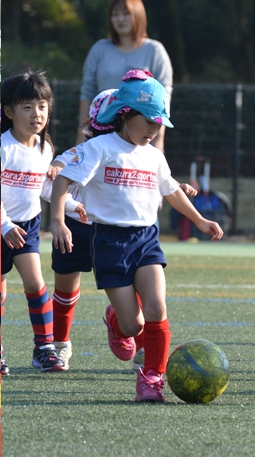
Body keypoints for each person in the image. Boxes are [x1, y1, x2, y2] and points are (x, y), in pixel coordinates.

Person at [49, 70, 224, 402]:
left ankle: (152, 378)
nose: (155, 130)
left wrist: (201, 220)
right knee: (133, 326)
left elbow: (171, 191)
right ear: (125, 115)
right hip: (109, 243)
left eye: (160, 125)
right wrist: (58, 220)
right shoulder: (100, 148)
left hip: (146, 240)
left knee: (157, 307)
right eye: (150, 122)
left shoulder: (154, 156)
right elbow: (62, 181)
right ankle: (116, 321)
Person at [1, 70, 86, 373]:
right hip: (3, 226)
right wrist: (5, 226)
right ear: (9, 112)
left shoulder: (44, 147)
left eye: (42, 106)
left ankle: (44, 349)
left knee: (36, 285)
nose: (36, 114)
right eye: (26, 107)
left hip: (28, 226)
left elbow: (45, 187)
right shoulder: (3, 147)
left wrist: (74, 206)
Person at [77, 0, 172, 152]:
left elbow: (163, 101)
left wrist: (158, 140)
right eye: (115, 14)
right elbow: (87, 93)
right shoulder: (99, 49)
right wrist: (81, 137)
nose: (120, 19)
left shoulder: (155, 51)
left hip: (139, 138)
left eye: (126, 13)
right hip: (102, 136)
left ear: (139, 15)